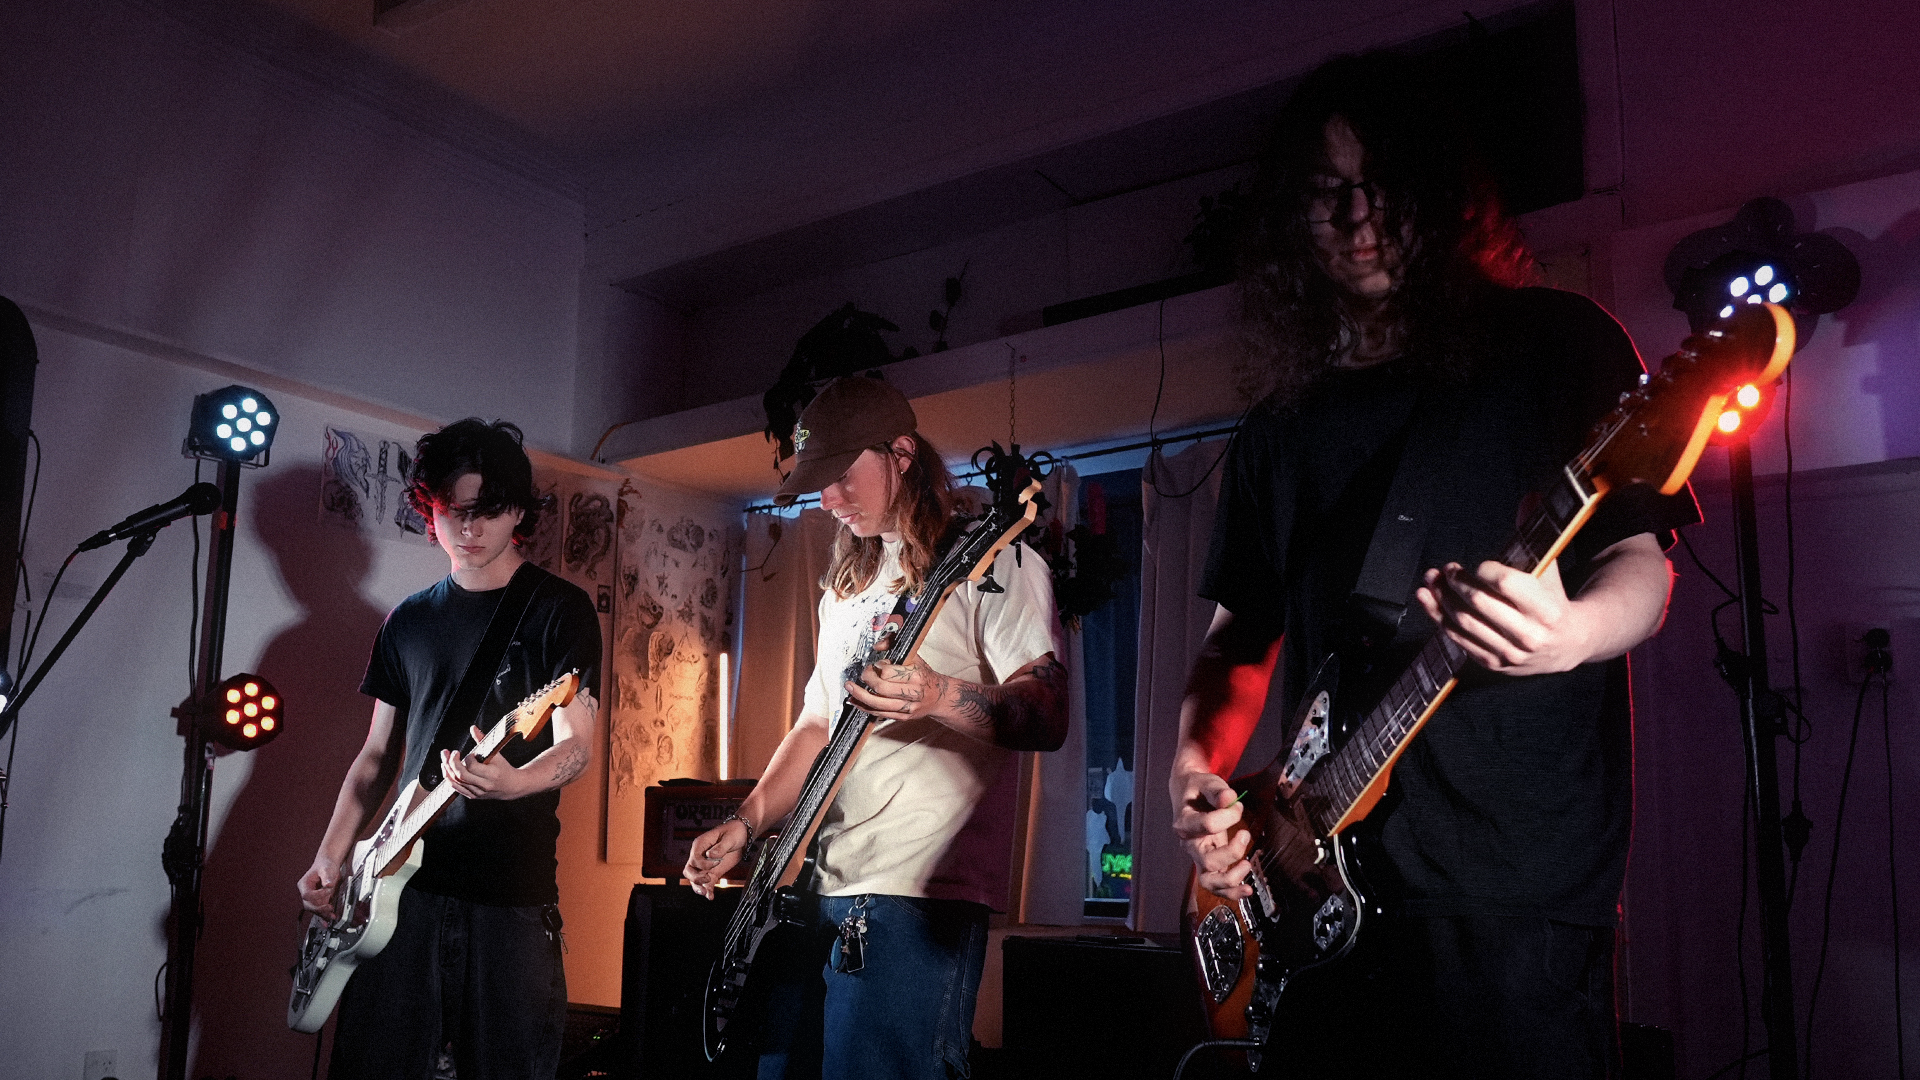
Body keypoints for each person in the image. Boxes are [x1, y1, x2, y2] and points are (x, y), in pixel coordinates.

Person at [1167, 55, 1699, 1078]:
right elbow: (1238, 636)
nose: (1361, 217)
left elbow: (1643, 562)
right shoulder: (1278, 427)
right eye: (1328, 192)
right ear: (1291, 217)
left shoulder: (1555, 343)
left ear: (1442, 197)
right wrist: (1196, 773)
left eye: (1386, 185)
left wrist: (1569, 633)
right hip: (1311, 887)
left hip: (1510, 888)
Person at [684, 375, 1068, 1080]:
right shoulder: (848, 586)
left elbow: (1046, 712)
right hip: (815, 888)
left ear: (901, 454)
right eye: (817, 484)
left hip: (918, 896)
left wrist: (937, 694)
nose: (828, 500)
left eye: (840, 476)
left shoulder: (997, 561)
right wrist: (748, 820)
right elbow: (816, 724)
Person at [297, 418, 601, 1079]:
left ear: (518, 510)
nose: (470, 529)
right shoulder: (407, 620)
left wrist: (513, 784)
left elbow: (578, 747)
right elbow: (378, 757)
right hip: (395, 895)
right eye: (453, 512)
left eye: (488, 512)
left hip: (509, 897)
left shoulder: (558, 611)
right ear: (428, 508)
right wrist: (330, 855)